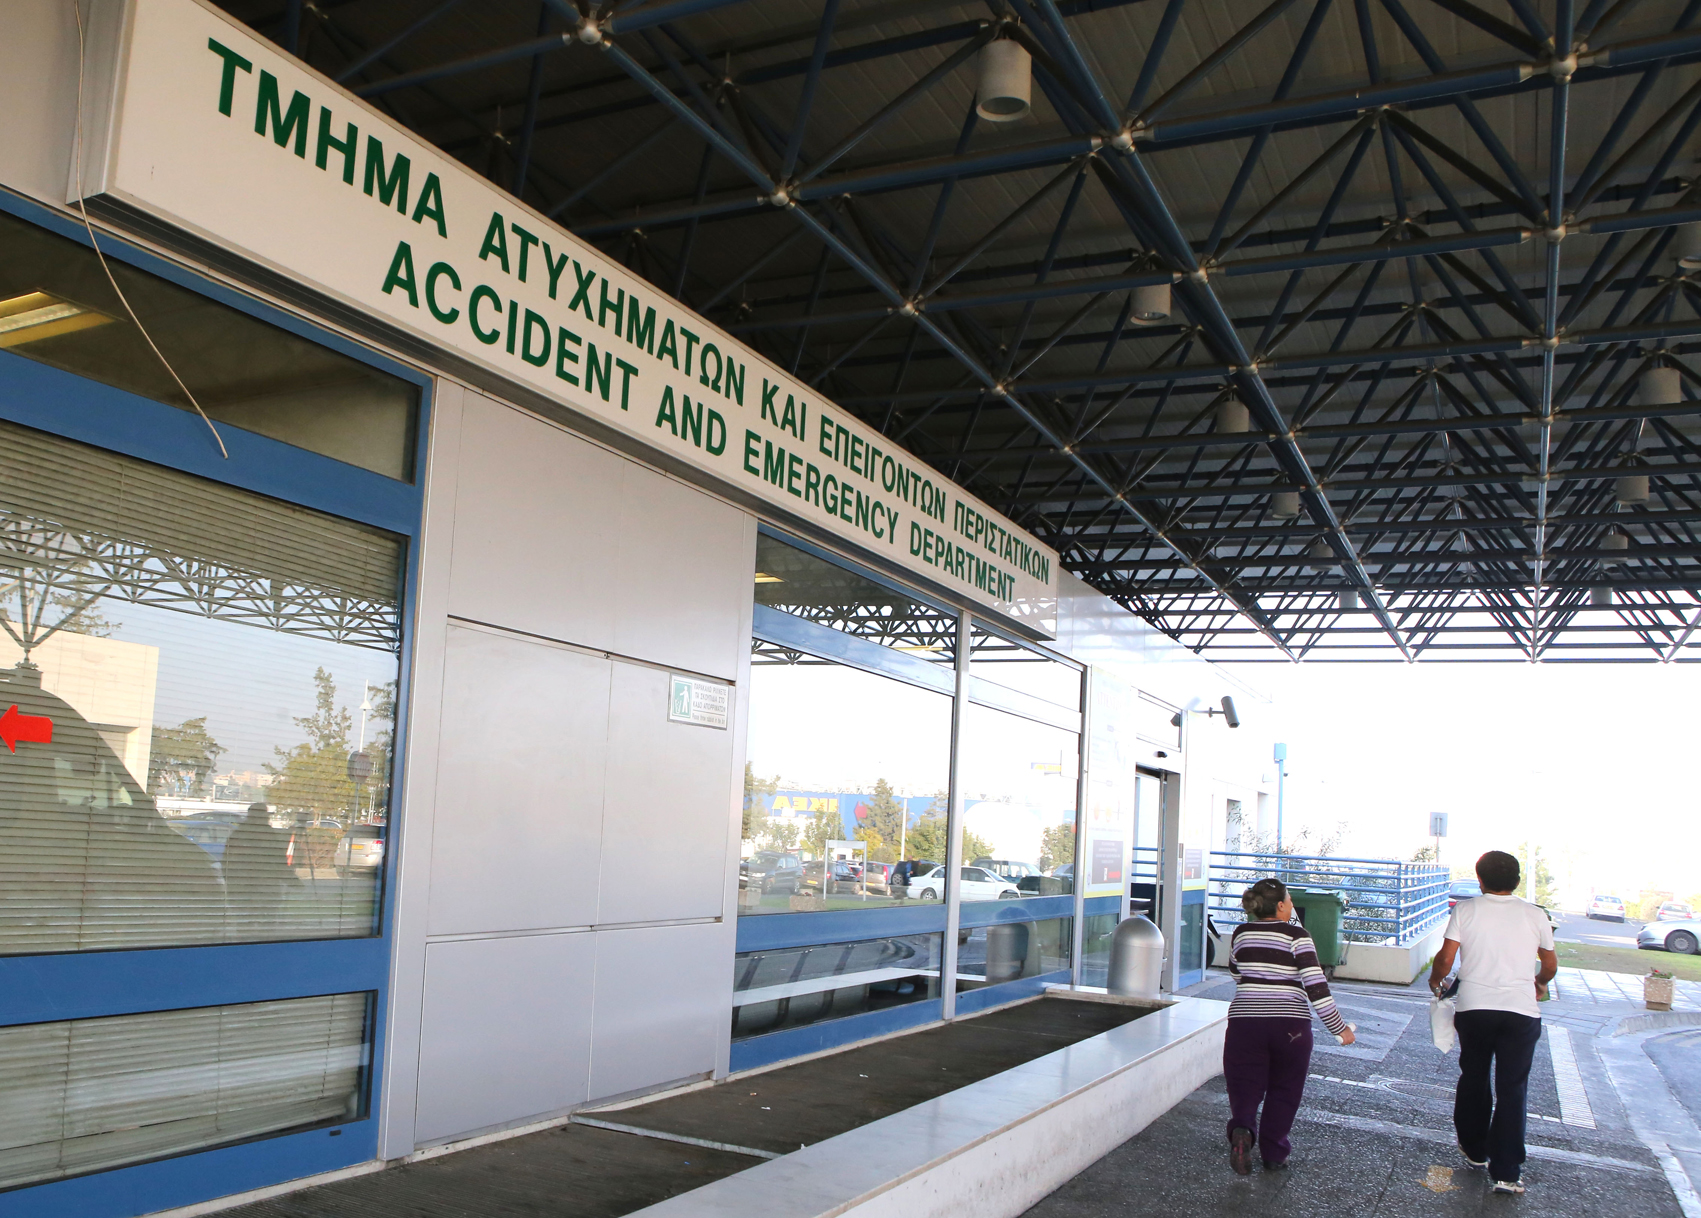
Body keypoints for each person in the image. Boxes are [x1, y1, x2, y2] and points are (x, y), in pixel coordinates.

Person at [1428, 850, 1558, 1196]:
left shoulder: (1466, 910)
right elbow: (1549, 965)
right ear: (1517, 881)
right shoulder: (1536, 915)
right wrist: (1540, 982)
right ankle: (1507, 1172)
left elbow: (1446, 958)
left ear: (1480, 879)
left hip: (1475, 1010)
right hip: (1521, 1013)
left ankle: (1474, 1150)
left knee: (1474, 1076)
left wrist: (1436, 980)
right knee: (1513, 1088)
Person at [1223, 877, 1354, 1174]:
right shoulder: (1298, 936)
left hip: (1245, 1021)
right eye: (1290, 901)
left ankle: (1242, 1128)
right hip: (1290, 1026)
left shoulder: (1241, 933)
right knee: (1285, 1088)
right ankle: (1274, 1153)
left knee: (1244, 1082)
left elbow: (1236, 973)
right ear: (1281, 906)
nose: (1292, 905)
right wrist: (1339, 1028)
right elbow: (1316, 987)